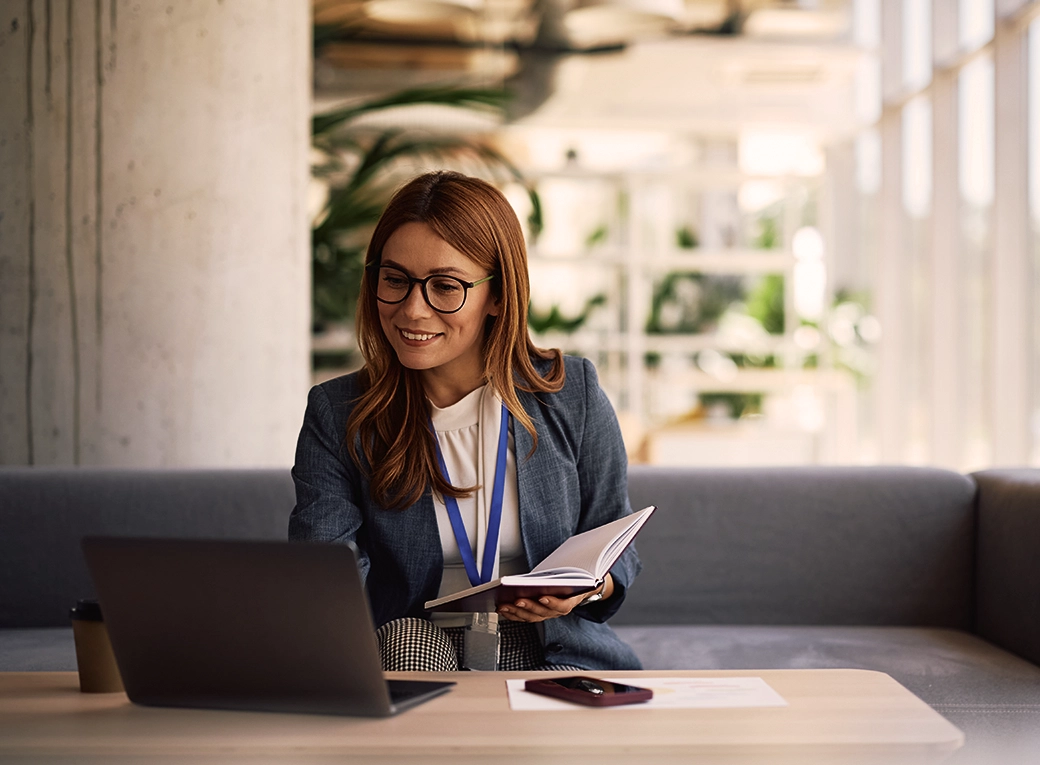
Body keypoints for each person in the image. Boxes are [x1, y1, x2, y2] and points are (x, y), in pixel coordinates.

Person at [289, 170, 642, 672]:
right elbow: (322, 572)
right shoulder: (339, 412)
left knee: (563, 722)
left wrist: (584, 589)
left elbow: (614, 540)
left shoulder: (572, 393)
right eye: (395, 280)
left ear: (497, 296)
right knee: (404, 646)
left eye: (445, 287)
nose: (413, 310)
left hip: (546, 640)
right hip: (412, 638)